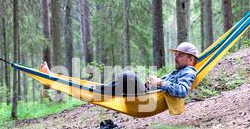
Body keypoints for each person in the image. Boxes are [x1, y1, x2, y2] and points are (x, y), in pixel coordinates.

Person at [39, 42, 199, 98]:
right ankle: (53, 81)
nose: (175, 58)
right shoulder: (179, 71)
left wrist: (160, 82)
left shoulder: (189, 72)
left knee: (127, 76)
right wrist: (154, 82)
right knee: (113, 84)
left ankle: (54, 82)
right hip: (147, 94)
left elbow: (182, 91)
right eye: (176, 54)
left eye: (179, 55)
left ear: (190, 59)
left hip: (148, 98)